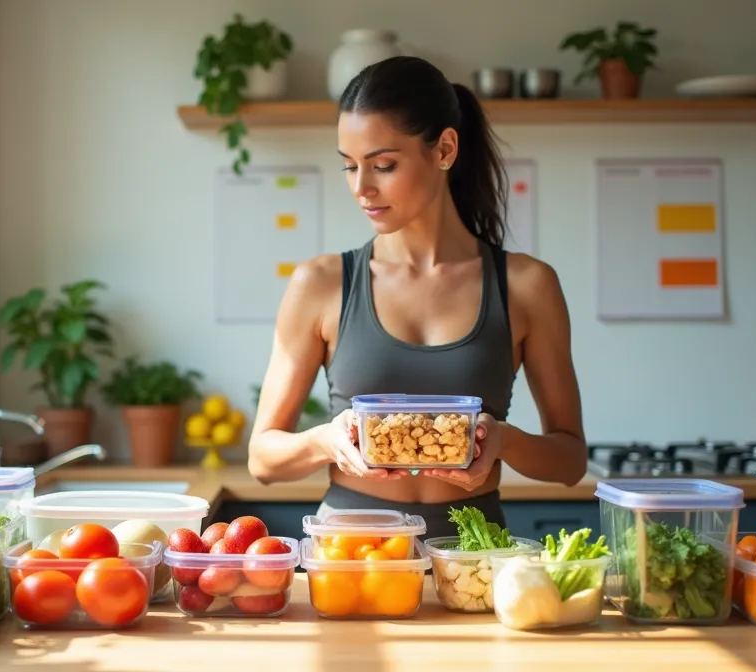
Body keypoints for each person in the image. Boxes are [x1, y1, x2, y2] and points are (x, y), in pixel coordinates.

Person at [246, 56, 586, 539]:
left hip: (474, 553)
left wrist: (501, 441)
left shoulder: (527, 285)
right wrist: (327, 439)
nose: (362, 188)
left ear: (445, 149)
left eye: (383, 165)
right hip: (352, 554)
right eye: (349, 166)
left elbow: (570, 460)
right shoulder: (320, 284)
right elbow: (262, 459)